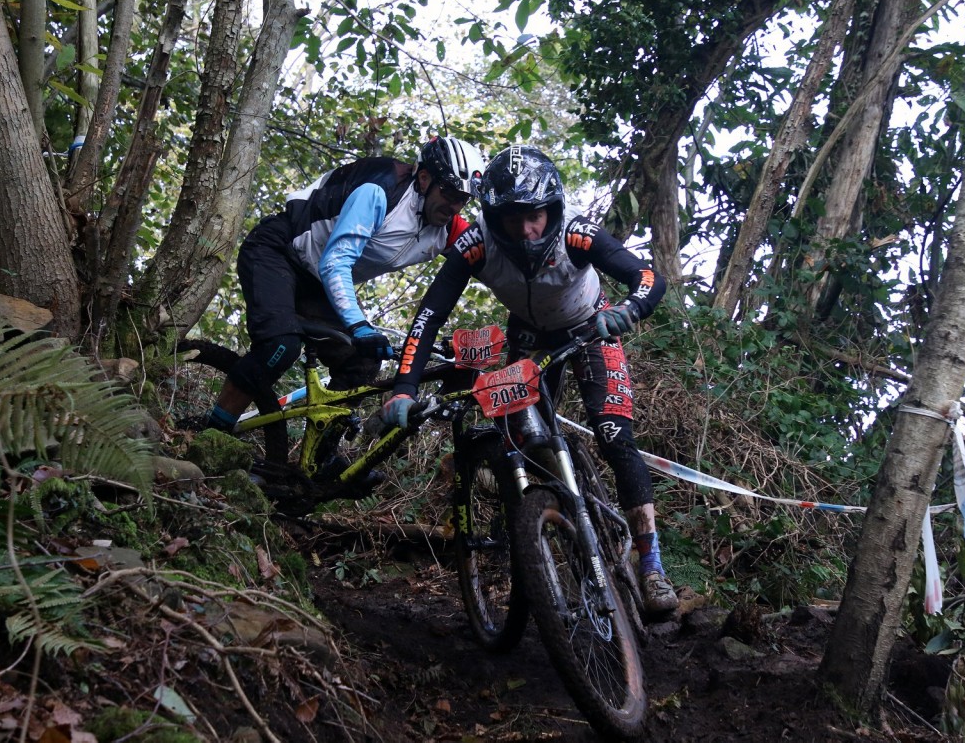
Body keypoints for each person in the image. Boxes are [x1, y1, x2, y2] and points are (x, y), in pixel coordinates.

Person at [380, 144, 680, 615]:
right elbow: (430, 314)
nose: (525, 229)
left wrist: (629, 308)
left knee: (614, 436)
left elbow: (647, 276)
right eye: (511, 217)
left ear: (553, 209)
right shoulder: (476, 242)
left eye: (535, 215)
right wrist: (404, 385)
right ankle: (542, 535)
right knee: (523, 442)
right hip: (528, 337)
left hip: (589, 327)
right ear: (491, 215)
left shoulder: (576, 232)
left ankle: (653, 568)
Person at [204, 135, 487, 434]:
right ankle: (210, 434)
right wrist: (359, 326)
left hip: (318, 284)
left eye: (463, 198)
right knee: (281, 346)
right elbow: (335, 262)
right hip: (278, 251)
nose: (455, 205)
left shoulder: (447, 228)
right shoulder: (380, 192)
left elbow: (490, 265)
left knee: (362, 364)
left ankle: (320, 456)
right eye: (449, 192)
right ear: (425, 177)